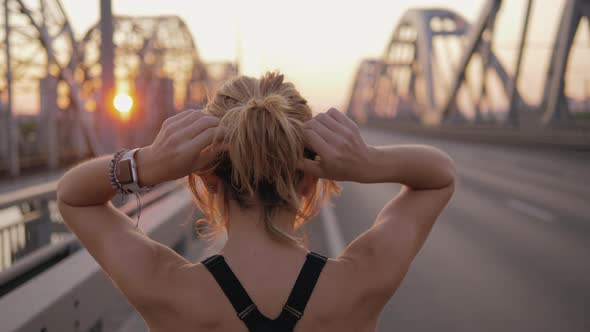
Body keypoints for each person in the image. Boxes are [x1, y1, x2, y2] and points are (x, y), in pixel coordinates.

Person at [57, 71, 456, 331]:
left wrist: (146, 164)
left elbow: (74, 197)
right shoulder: (359, 281)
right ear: (309, 177)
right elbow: (438, 177)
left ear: (207, 178)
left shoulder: (169, 289)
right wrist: (368, 162)